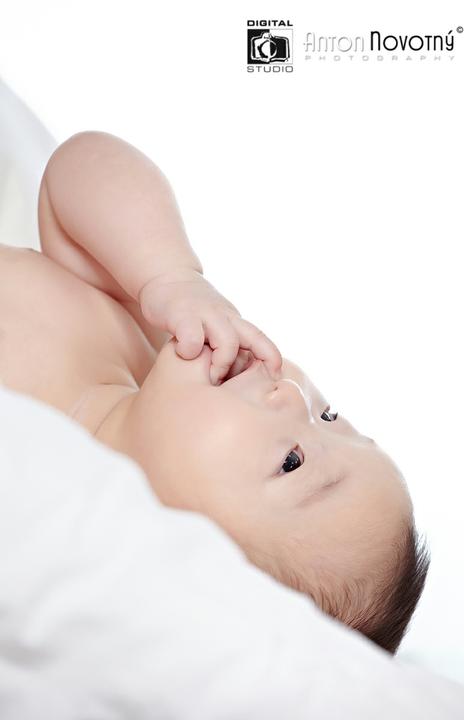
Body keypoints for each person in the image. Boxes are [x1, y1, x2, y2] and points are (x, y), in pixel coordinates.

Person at [0, 131, 429, 654]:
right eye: (329, 415)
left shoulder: (42, 500)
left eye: (291, 461)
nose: (293, 394)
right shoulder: (137, 331)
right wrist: (168, 273)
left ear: (192, 552)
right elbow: (79, 165)